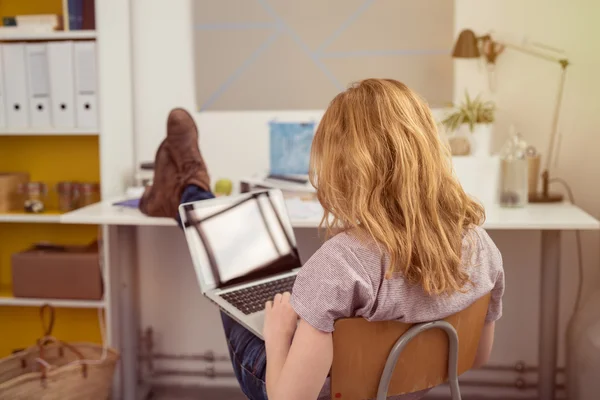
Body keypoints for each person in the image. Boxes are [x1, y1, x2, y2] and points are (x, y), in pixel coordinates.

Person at [140, 79, 505, 400]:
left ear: (342, 169)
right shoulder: (482, 246)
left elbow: (289, 398)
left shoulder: (338, 266)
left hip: (311, 387)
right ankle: (188, 188)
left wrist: (279, 332)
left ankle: (190, 188)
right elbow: (478, 353)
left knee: (232, 280)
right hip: (401, 387)